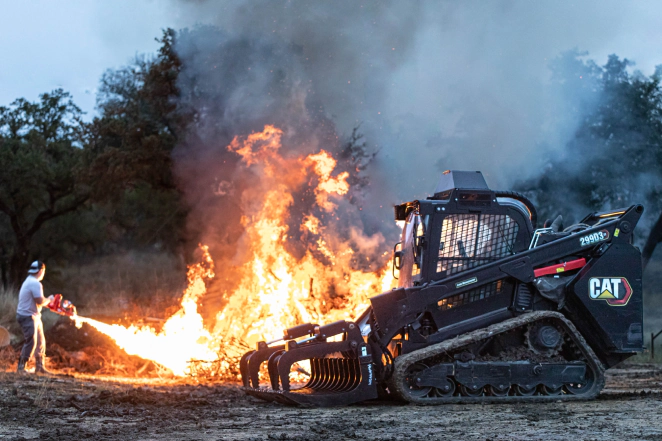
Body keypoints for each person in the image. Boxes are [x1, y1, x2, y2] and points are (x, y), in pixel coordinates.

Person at [16, 260, 53, 374]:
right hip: (28, 316)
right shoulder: (35, 283)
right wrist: (50, 300)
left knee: (41, 341)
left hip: (34, 315)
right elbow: (40, 300)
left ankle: (40, 367)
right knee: (31, 342)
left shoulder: (29, 280)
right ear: (41, 271)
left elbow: (37, 301)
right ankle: (21, 367)